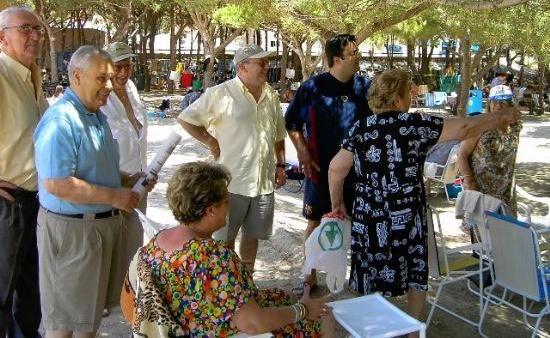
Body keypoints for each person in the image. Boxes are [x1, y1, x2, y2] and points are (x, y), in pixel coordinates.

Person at [328, 69, 520, 326]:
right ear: (396, 98)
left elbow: (336, 169)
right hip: (408, 214)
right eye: (408, 92)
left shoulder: (360, 128)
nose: (411, 97)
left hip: (369, 215)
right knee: (415, 270)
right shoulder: (416, 126)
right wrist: (502, 115)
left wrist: (337, 203)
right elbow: (464, 127)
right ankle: (413, 328)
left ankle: (372, 325)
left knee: (369, 269)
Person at [122, 162, 334, 337]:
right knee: (323, 316)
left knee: (286, 296)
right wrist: (304, 310)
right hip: (216, 330)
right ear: (211, 210)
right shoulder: (212, 255)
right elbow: (252, 323)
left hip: (188, 324)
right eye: (226, 200)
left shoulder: (156, 243)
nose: (229, 206)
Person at [33, 45, 156, 337]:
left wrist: (127, 180)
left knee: (87, 321)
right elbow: (57, 184)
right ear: (76, 76)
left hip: (97, 231)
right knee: (63, 325)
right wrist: (115, 196)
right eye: (102, 78)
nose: (110, 86)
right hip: (72, 234)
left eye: (111, 78)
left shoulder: (95, 115)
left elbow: (94, 168)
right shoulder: (61, 121)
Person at [178, 44, 286, 274]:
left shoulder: (272, 95)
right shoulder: (221, 93)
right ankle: (224, 286)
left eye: (267, 62)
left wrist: (281, 164)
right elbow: (186, 118)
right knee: (224, 240)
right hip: (230, 183)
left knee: (253, 237)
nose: (267, 67)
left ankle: (246, 283)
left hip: (263, 183)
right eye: (261, 63)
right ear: (241, 67)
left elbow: (278, 134)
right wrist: (210, 141)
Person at [285, 34, 371, 294]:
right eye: (354, 52)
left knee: (359, 223)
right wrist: (302, 152)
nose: (359, 56)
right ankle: (308, 277)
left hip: (358, 172)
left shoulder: (366, 87)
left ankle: (359, 278)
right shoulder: (312, 88)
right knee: (314, 222)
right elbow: (291, 122)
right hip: (319, 169)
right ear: (337, 59)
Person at [0, 6, 48, 338]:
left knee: (31, 296)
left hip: (36, 201)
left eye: (37, 29)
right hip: (7, 204)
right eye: (25, 29)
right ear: (3, 37)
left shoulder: (32, 75)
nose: (34, 35)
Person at [102, 42, 148, 262]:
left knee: (134, 246)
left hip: (140, 180)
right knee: (113, 248)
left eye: (127, 66)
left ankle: (129, 293)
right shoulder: (100, 97)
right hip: (114, 184)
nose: (123, 73)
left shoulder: (132, 89)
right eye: (117, 67)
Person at [457, 84, 522, 216]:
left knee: (506, 232)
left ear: (511, 106)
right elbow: (461, 154)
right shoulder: (481, 125)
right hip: (481, 191)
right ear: (490, 104)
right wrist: (469, 181)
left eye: (504, 103)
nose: (499, 106)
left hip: (506, 192)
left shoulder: (515, 127)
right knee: (483, 232)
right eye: (495, 102)